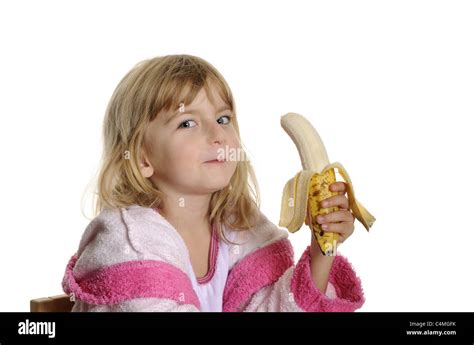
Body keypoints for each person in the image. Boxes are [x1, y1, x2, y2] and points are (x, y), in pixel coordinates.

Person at [62, 54, 365, 312]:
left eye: (222, 119)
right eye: (187, 123)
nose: (217, 134)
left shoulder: (239, 231)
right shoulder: (129, 244)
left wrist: (322, 246)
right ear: (143, 158)